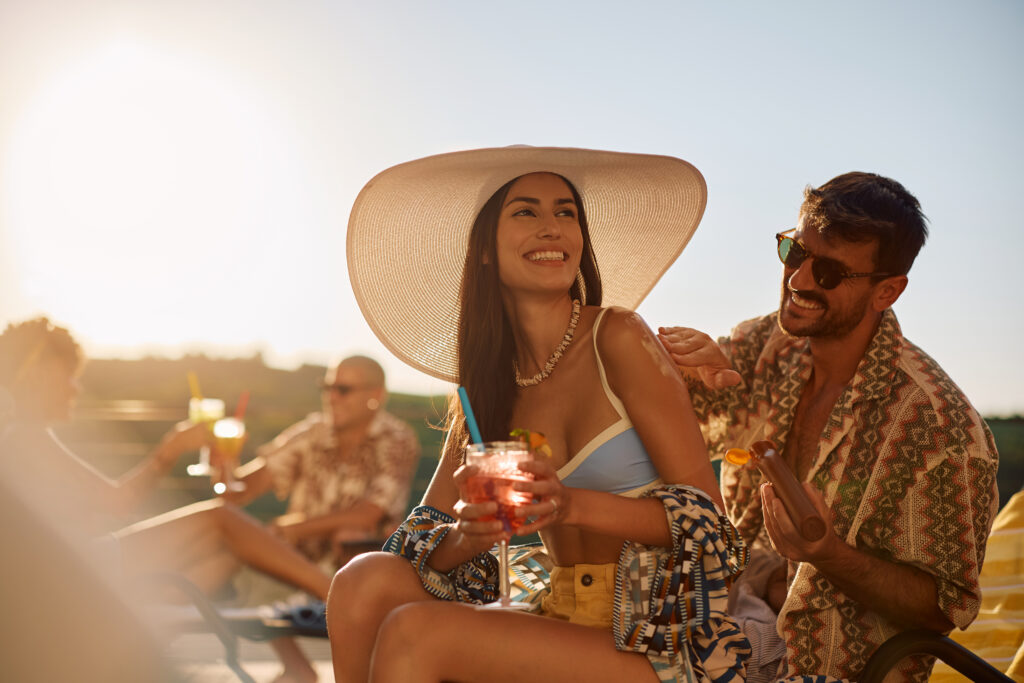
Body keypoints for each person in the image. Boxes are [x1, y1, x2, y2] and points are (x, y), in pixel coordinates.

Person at [326, 146, 749, 683]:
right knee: (365, 578)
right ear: (483, 250)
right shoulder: (485, 385)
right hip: (554, 616)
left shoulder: (616, 336)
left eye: (566, 212)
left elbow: (712, 526)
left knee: (418, 634)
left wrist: (567, 504)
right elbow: (418, 545)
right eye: (526, 212)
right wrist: (471, 539)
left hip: (657, 640)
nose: (552, 228)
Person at [658, 171, 1000, 682]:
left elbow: (943, 611)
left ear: (888, 291)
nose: (798, 280)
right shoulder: (768, 345)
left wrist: (830, 555)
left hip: (829, 667)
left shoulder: (940, 428)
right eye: (795, 253)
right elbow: (696, 423)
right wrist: (686, 375)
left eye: (830, 273)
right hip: (728, 611)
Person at [0, 317, 333, 683]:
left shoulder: (24, 436)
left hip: (73, 569)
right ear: (38, 373)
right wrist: (172, 448)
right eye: (68, 375)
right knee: (220, 520)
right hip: (75, 567)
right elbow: (118, 502)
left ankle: (297, 670)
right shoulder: (25, 437)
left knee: (228, 551)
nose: (75, 389)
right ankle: (334, 594)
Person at [225, 355, 421, 569]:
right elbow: (237, 492)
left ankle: (335, 597)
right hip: (301, 561)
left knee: (350, 536)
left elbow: (367, 516)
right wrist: (224, 459)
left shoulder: (398, 439)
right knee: (221, 532)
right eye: (327, 388)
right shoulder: (312, 432)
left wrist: (294, 528)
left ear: (375, 394)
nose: (332, 397)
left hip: (362, 566)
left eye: (343, 389)